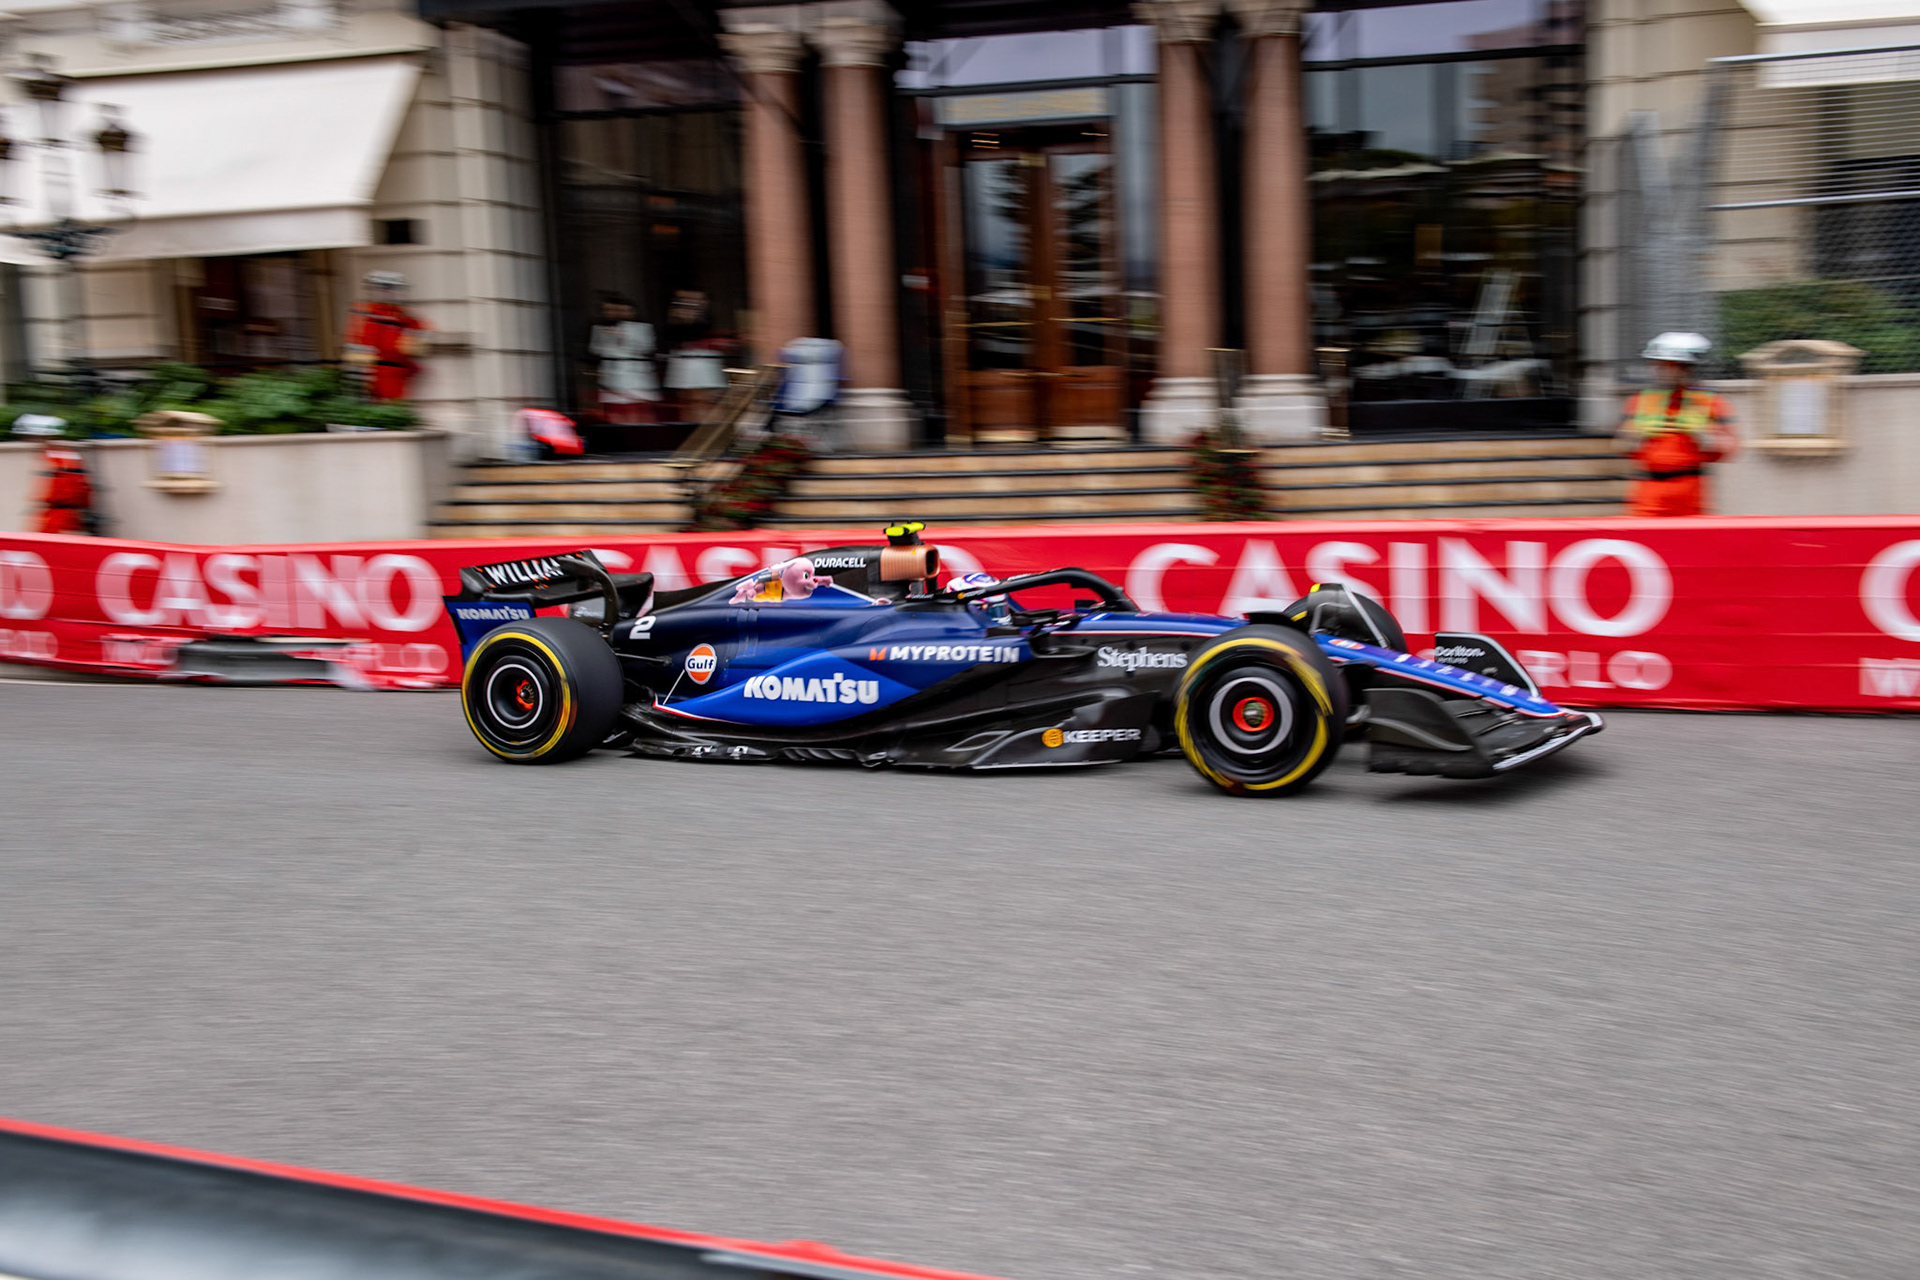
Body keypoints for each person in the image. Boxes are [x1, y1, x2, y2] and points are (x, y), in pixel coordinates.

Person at [1617, 332, 1739, 517]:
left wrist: (1702, 434)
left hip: (1690, 493)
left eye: (1667, 365)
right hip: (1649, 494)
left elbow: (1730, 448)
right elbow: (1621, 446)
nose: (1658, 370)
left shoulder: (1709, 402)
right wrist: (1638, 434)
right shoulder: (1640, 401)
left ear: (1685, 368)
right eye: (1657, 365)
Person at [344, 272, 429, 402]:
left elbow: (417, 342)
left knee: (395, 407)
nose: (388, 293)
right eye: (383, 288)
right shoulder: (366, 314)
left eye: (391, 288)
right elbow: (359, 344)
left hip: (397, 373)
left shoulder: (404, 316)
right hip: (375, 372)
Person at [588, 295, 659, 425]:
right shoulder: (599, 328)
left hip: (637, 373)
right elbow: (594, 349)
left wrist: (625, 336)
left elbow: (647, 347)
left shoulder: (643, 327)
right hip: (612, 371)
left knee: (638, 408)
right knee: (615, 409)